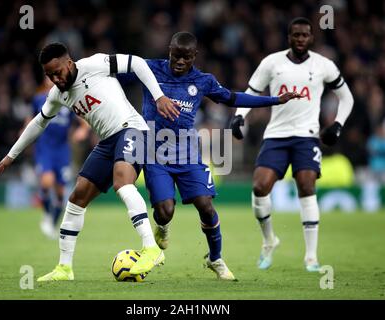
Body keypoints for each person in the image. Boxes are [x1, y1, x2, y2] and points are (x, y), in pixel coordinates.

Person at [118, 31, 301, 280]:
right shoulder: (149, 69)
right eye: (176, 56)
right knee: (165, 210)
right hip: (155, 154)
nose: (180, 61)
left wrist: (275, 100)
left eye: (186, 57)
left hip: (188, 155)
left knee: (205, 205)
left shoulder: (203, 81)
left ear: (195, 56)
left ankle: (215, 258)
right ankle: (162, 226)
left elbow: (233, 97)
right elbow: (114, 68)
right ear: (169, 51)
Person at [0, 42, 180, 281]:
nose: (55, 79)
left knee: (122, 182)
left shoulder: (94, 64)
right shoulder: (57, 94)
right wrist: (10, 156)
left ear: (69, 63)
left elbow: (137, 63)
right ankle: (64, 268)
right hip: (107, 141)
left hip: (132, 130)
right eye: (49, 75)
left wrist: (159, 96)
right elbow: (39, 123)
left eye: (57, 72)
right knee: (77, 197)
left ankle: (151, 248)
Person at [231, 17, 354, 272]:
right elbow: (251, 93)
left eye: (305, 35)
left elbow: (347, 97)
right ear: (288, 37)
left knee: (307, 185)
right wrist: (240, 116)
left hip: (307, 135)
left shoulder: (324, 65)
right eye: (295, 35)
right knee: (259, 186)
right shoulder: (271, 63)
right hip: (276, 135)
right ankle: (269, 241)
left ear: (311, 38)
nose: (300, 39)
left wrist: (338, 124)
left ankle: (311, 257)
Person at [30, 76, 89, 239]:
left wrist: (82, 130)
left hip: (62, 149)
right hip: (45, 147)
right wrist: (25, 132)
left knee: (61, 191)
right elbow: (31, 119)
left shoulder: (67, 101)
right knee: (47, 181)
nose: (52, 81)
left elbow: (82, 119)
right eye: (49, 78)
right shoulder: (38, 100)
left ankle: (51, 223)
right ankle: (47, 213)